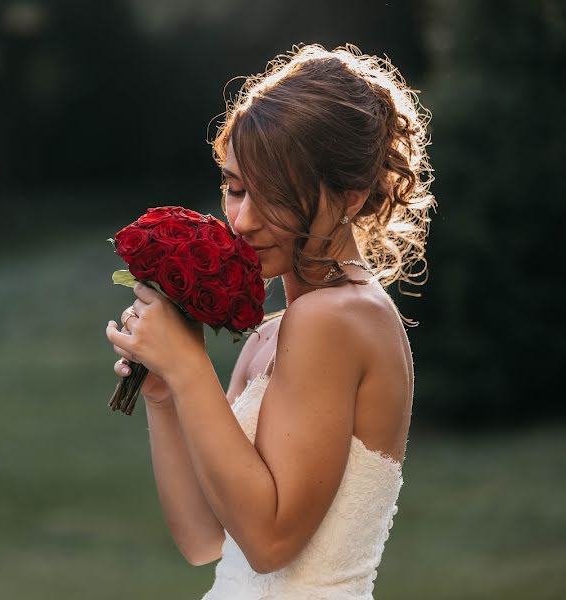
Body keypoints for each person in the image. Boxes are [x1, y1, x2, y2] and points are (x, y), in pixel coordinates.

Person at [104, 43, 435, 599]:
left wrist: (189, 367)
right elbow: (204, 540)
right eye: (236, 188)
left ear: (350, 198)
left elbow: (270, 543)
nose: (244, 220)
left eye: (276, 196)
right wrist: (164, 393)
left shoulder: (336, 318)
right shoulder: (271, 334)